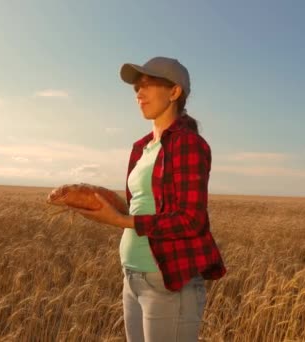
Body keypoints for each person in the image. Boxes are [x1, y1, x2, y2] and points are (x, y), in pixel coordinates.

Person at [74, 56, 227, 342]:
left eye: (148, 84)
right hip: (132, 276)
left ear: (174, 92)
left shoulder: (188, 143)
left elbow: (191, 220)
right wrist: (96, 202)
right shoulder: (141, 147)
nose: (139, 93)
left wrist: (120, 220)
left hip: (167, 280)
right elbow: (143, 204)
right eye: (136, 88)